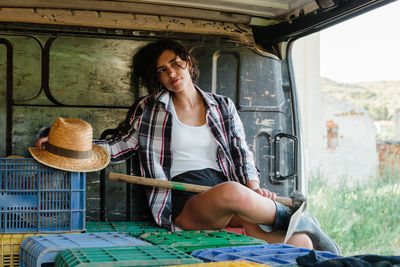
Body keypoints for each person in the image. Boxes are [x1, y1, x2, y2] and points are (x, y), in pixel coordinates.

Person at [36, 39, 313, 249]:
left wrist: (255, 191)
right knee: (232, 193)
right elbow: (118, 146)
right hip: (184, 201)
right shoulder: (150, 109)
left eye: (176, 64)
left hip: (228, 193)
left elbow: (242, 152)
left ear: (188, 63)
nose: (172, 73)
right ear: (159, 78)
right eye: (163, 70)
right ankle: (303, 220)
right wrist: (68, 147)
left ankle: (299, 227)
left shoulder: (222, 106)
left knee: (302, 243)